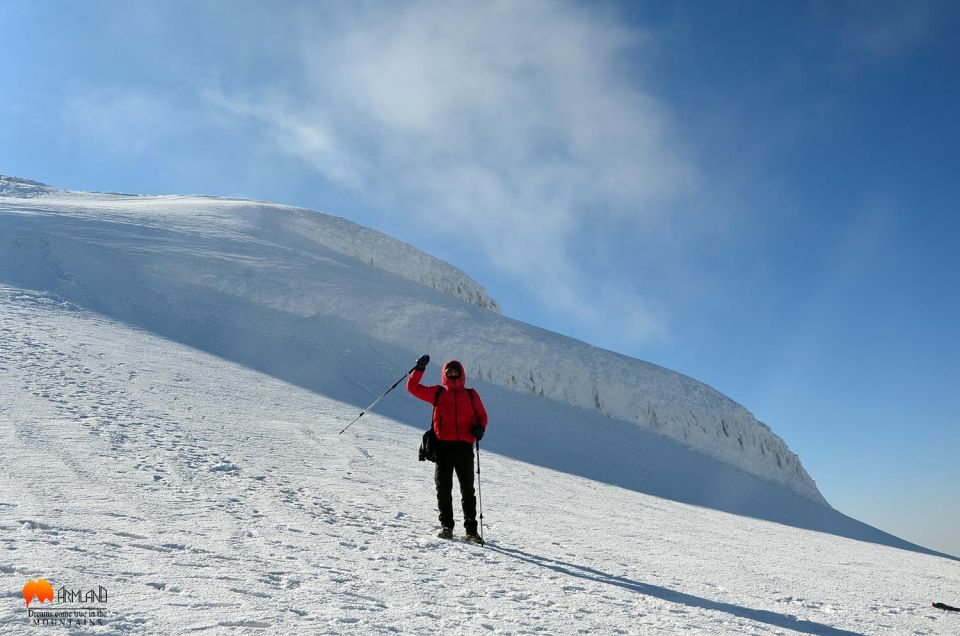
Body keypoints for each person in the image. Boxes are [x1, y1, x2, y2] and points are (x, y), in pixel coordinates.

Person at [407, 354, 488, 542]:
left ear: (461, 374)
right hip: (443, 448)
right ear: (444, 375)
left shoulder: (470, 394)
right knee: (443, 489)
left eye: (455, 372)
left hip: (464, 448)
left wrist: (480, 428)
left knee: (468, 490)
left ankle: (471, 531)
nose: (452, 374)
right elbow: (412, 388)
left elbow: (482, 415)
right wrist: (419, 369)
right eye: (448, 372)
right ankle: (447, 527)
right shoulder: (438, 392)